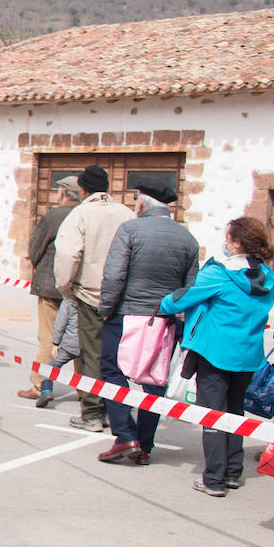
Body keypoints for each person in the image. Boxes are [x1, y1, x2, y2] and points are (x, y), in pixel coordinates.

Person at [161, 218, 274, 496]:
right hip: (247, 355)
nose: (224, 241)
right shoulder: (267, 276)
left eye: (228, 237)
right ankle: (233, 471)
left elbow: (182, 299)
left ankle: (213, 478)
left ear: (236, 243)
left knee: (211, 415)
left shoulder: (220, 273)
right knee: (235, 413)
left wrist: (162, 304)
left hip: (215, 354)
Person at [94, 177, 199, 464]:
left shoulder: (130, 229)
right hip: (165, 320)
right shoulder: (188, 239)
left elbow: (114, 275)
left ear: (141, 201)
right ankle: (145, 445)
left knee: (113, 371)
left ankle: (126, 434)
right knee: (155, 380)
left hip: (127, 313)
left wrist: (106, 308)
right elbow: (190, 288)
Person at [53, 165, 135, 431]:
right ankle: (114, 409)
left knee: (90, 356)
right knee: (115, 356)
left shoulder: (81, 213)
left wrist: (66, 289)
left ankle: (91, 413)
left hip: (90, 294)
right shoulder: (127, 213)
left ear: (84, 189)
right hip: (122, 295)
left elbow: (68, 254)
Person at [19, 176, 83, 401]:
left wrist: (41, 269)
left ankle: (39, 384)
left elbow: (35, 247)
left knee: (48, 337)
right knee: (81, 339)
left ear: (63, 193)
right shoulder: (85, 214)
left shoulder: (54, 215)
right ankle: (85, 389)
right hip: (79, 287)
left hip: (51, 285)